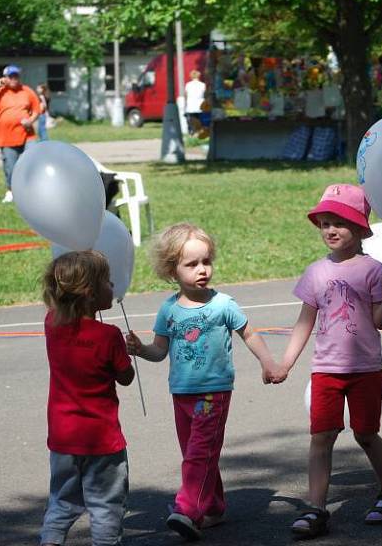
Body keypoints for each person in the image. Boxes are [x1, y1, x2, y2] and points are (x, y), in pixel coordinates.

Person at [125, 223, 282, 541]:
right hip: (181, 393)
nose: (202, 270)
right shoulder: (168, 309)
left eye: (206, 261)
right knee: (198, 453)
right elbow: (159, 350)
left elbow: (249, 334)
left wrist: (268, 362)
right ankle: (213, 507)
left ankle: (187, 509)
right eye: (192, 264)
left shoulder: (223, 304)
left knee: (199, 452)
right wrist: (140, 350)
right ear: (172, 269)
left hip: (214, 392)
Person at [276, 184, 382, 538]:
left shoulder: (374, 270)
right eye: (324, 223)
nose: (330, 230)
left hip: (364, 369)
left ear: (362, 229)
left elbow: (381, 321)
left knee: (366, 434)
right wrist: (285, 363)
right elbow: (305, 322)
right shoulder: (315, 272)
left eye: (340, 223)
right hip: (325, 371)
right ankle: (316, 507)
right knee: (322, 436)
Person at [39, 251, 135, 546]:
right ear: (91, 293)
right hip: (102, 439)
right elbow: (125, 377)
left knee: (62, 502)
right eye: (107, 281)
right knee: (105, 507)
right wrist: (127, 351)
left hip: (63, 437)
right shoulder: (109, 335)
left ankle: (50, 541)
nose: (113, 284)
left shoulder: (51, 322)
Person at [0, 65, 41, 202]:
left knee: (32, 161)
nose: (14, 79)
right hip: (6, 136)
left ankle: (32, 190)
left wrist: (31, 120)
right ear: (5, 78)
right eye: (11, 76)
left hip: (28, 135)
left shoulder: (27, 91)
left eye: (16, 76)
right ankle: (11, 191)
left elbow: (37, 109)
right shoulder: (0, 91)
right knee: (10, 166)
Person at [184, 70, 206, 135]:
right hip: (200, 106)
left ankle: (192, 133)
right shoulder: (203, 85)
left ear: (191, 76)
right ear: (199, 76)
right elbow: (205, 95)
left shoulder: (188, 85)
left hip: (190, 106)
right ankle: (200, 133)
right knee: (200, 122)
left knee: (192, 122)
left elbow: (186, 95)